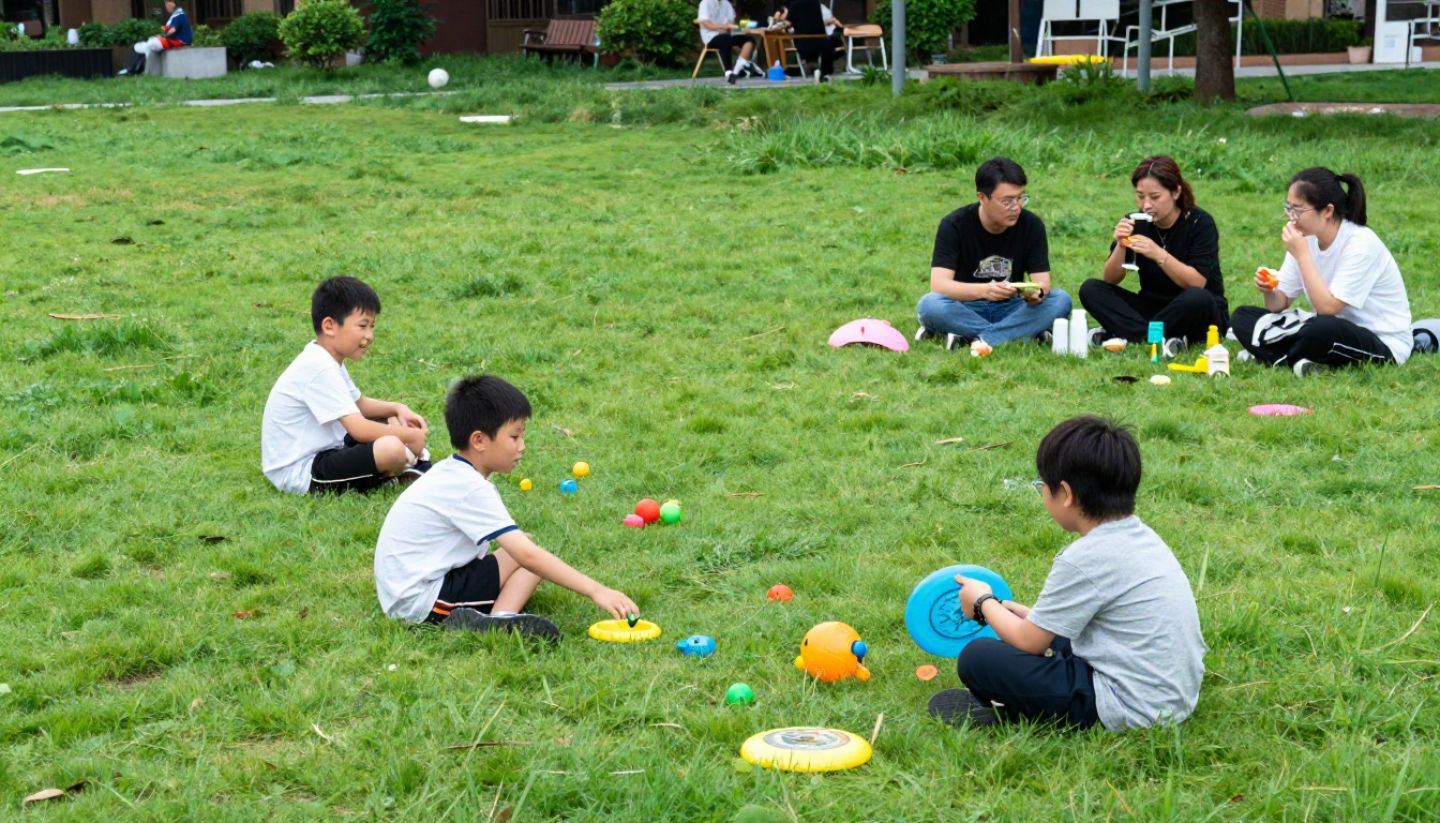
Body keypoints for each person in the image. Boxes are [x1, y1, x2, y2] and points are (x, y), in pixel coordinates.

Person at [927, 416, 1205, 730]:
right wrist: (1031, 615)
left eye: (1042, 487)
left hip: (1131, 705)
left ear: (1067, 494)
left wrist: (981, 602)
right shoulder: (1141, 537)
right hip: (1170, 693)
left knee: (978, 658)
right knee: (1047, 634)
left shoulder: (1084, 558)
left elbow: (1028, 642)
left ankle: (1021, 707)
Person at [374, 375, 640, 639]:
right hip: (420, 603)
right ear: (478, 440)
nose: (522, 447)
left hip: (404, 593)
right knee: (529, 554)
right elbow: (528, 556)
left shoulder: (453, 472)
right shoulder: (470, 487)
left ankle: (499, 618)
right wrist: (597, 591)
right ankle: (499, 621)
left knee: (527, 546)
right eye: (514, 436)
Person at [1231, 167, 1413, 375]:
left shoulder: (1361, 243)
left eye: (1298, 210)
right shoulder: (1305, 237)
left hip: (1381, 341)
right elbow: (1279, 305)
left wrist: (1302, 255)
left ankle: (1270, 355)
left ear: (1327, 211)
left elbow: (1327, 308)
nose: (1291, 217)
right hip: (1327, 326)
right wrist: (1269, 290)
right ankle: (1294, 358)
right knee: (1242, 316)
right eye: (1288, 208)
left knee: (1321, 330)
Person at [261, 276, 430, 495]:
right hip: (302, 470)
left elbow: (358, 403)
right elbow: (359, 429)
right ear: (330, 326)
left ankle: (405, 464)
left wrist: (398, 408)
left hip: (330, 446)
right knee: (392, 448)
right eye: (362, 326)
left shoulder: (326, 358)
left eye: (372, 326)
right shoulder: (319, 367)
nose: (369, 336)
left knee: (395, 422)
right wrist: (407, 437)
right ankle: (399, 469)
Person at [915, 157, 1072, 356]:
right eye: (1007, 201)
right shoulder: (954, 225)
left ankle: (977, 339)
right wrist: (986, 290)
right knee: (930, 305)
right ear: (982, 197)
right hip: (965, 308)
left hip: (1013, 307)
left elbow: (1043, 283)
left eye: (1021, 197)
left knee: (1060, 300)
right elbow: (939, 286)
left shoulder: (1032, 225)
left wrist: (1035, 293)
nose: (1016, 206)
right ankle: (1019, 333)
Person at [1079, 156, 1228, 355]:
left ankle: (1127, 334)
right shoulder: (1136, 221)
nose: (1146, 205)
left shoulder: (1199, 223)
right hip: (1153, 308)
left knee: (1198, 298)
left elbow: (1197, 282)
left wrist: (1159, 254)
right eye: (1140, 196)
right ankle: (1157, 337)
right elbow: (1110, 279)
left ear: (1176, 192)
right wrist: (1121, 246)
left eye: (1155, 197)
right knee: (1091, 289)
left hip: (1197, 309)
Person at [118, 0, 191, 76]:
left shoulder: (178, 14)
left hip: (179, 42)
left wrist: (162, 35)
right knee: (149, 43)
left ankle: (135, 69)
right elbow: (167, 28)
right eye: (165, 3)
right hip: (176, 40)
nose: (166, 6)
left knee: (149, 44)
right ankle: (134, 69)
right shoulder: (177, 14)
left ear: (173, 3)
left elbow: (172, 29)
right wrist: (160, 31)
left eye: (167, 3)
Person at [697, 0, 761, 84]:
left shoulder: (726, 3)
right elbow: (706, 24)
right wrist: (724, 27)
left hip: (727, 34)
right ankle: (728, 72)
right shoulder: (705, 2)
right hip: (710, 36)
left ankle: (739, 67)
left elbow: (731, 23)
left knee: (749, 39)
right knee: (725, 39)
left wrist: (740, 30)